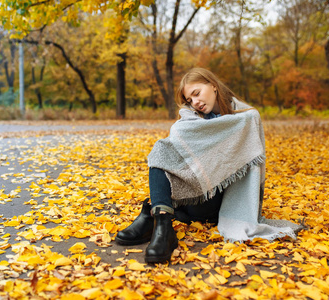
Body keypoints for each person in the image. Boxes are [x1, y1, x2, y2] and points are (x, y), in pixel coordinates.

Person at [116, 68, 304, 264]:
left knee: (176, 190)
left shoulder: (247, 118)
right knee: (161, 150)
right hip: (191, 197)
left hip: (217, 202)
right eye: (190, 100)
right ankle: (162, 224)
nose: (195, 102)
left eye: (196, 93)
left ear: (213, 85)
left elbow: (252, 169)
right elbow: (178, 156)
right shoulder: (190, 120)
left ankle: (152, 214)